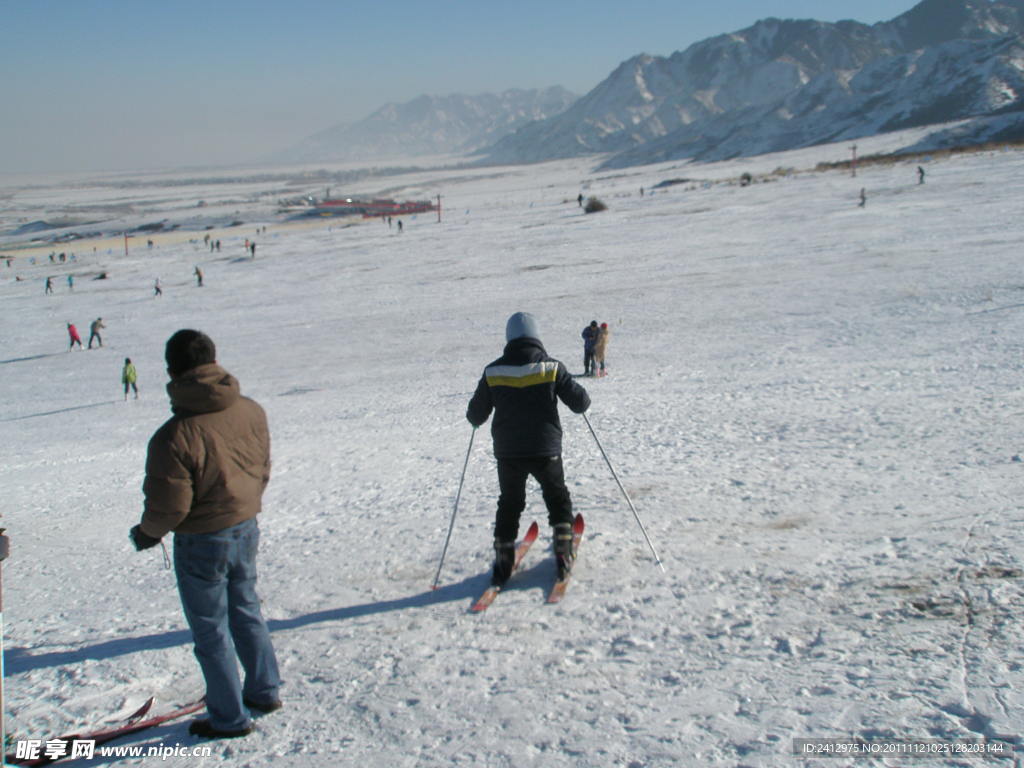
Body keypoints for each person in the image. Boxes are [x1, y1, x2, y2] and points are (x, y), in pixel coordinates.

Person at [130, 330, 281, 739]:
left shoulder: (174, 436)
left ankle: (230, 718)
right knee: (246, 610)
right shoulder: (251, 411)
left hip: (201, 541)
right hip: (245, 526)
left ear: (172, 371)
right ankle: (265, 690)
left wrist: (147, 533)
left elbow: (170, 505)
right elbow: (261, 468)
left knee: (211, 631)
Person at [467, 312, 591, 583]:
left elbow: (476, 414)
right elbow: (580, 402)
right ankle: (563, 546)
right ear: (536, 336)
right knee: (556, 496)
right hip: (545, 450)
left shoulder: (493, 371)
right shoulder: (551, 367)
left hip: (508, 453)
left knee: (510, 503)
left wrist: (476, 418)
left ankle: (503, 556)